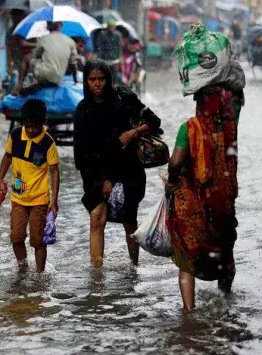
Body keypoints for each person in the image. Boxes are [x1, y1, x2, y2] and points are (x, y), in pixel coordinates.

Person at [74, 60, 161, 268]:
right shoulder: (83, 110)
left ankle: (134, 268)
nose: (97, 84)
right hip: (95, 170)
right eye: (92, 79)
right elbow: (81, 153)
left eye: (101, 79)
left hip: (127, 166)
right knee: (97, 218)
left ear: (108, 79)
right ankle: (97, 278)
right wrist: (103, 179)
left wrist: (133, 132)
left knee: (129, 220)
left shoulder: (124, 99)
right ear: (86, 81)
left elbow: (153, 121)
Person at [165, 86, 239, 311]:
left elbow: (176, 163)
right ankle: (224, 303)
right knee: (225, 253)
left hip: (192, 206)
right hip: (221, 205)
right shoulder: (228, 129)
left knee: (187, 258)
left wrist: (170, 180)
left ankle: (189, 311)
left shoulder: (189, 128)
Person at [0, 99, 59, 272]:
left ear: (42, 123)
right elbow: (7, 157)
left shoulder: (48, 143)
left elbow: (54, 172)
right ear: (23, 122)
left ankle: (39, 274)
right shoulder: (15, 135)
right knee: (16, 237)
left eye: (35, 126)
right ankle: (23, 268)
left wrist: (54, 200)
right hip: (18, 198)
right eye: (28, 126)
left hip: (39, 200)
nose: (31, 130)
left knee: (38, 240)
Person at [21, 22, 77, 93]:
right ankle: (38, 82)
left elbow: (36, 56)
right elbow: (73, 64)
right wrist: (76, 81)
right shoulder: (70, 41)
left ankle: (19, 86)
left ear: (48, 26)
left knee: (27, 58)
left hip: (44, 75)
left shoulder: (43, 39)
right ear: (61, 26)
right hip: (57, 79)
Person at [94, 20, 122, 84]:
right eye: (110, 27)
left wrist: (119, 57)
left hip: (114, 59)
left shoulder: (118, 35)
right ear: (107, 27)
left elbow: (119, 46)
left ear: (115, 27)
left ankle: (115, 88)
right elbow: (99, 46)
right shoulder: (102, 34)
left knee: (114, 74)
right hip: (104, 58)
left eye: (112, 27)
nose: (111, 28)